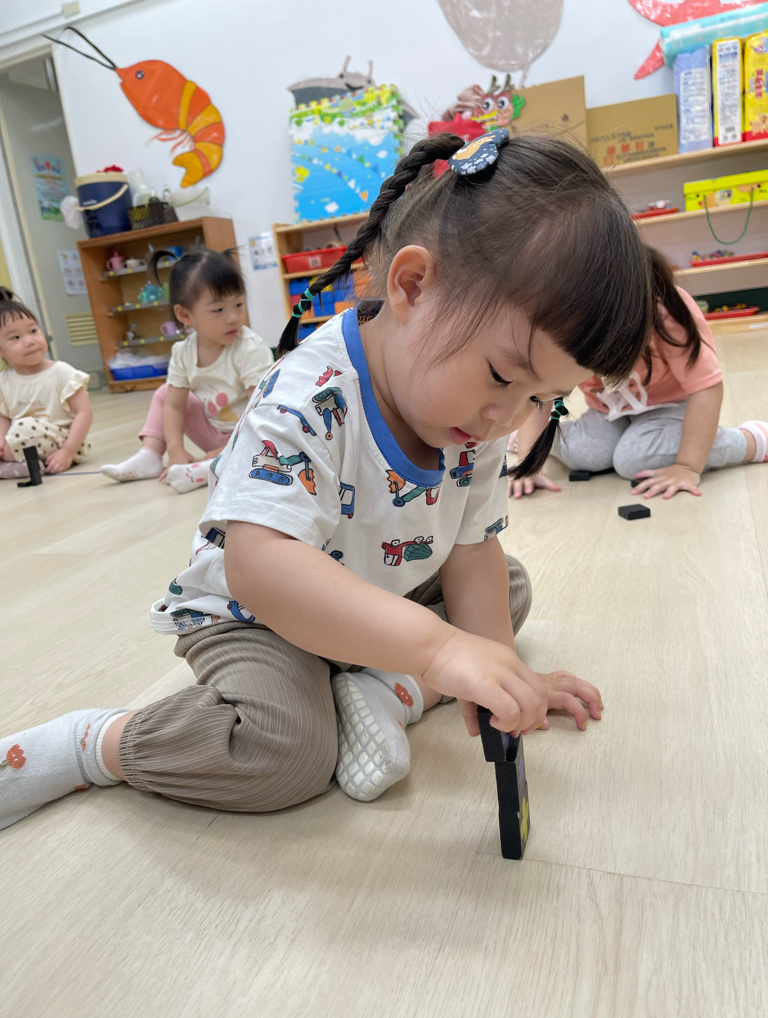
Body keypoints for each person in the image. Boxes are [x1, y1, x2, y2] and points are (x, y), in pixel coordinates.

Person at [0, 130, 651, 831]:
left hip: (382, 587)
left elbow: (471, 549)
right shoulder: (309, 396)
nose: (508, 417)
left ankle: (384, 690)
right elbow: (259, 568)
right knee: (284, 753)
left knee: (503, 591)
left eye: (542, 398)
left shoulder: (479, 417)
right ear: (412, 286)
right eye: (501, 376)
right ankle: (91, 744)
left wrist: (498, 671)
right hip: (259, 615)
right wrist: (439, 649)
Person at [509, 248, 768, 500]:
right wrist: (529, 462)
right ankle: (525, 439)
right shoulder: (562, 322)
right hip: (608, 409)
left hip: (671, 405)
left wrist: (688, 466)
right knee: (586, 454)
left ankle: (753, 440)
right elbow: (541, 393)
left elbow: (707, 387)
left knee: (633, 459)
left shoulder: (667, 313)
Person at [101, 248, 273, 493]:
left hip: (251, 434)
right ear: (185, 315)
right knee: (164, 394)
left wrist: (227, 448)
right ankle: (150, 456)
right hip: (213, 432)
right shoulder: (184, 352)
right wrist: (176, 450)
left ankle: (212, 467)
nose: (233, 317)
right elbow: (174, 407)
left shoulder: (250, 348)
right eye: (218, 310)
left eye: (238, 304)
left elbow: (262, 411)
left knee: (262, 444)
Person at [0, 288, 93, 479]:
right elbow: (4, 417)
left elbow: (85, 413)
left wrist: (68, 451)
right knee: (18, 429)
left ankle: (9, 464)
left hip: (62, 441)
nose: (29, 341)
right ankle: (18, 463)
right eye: (15, 337)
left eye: (33, 331)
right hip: (20, 442)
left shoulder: (61, 372)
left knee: (24, 427)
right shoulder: (4, 380)